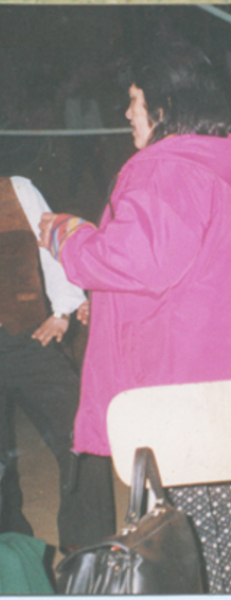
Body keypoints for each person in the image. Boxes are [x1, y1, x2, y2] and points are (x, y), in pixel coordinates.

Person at [39, 42, 231, 592]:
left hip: (172, 387)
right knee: (213, 517)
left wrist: (66, 235)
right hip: (216, 377)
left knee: (178, 533)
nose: (127, 113)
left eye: (134, 100)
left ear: (164, 105)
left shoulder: (166, 168)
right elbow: (184, 271)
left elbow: (133, 258)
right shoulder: (213, 163)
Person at [0, 176, 115, 552]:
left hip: (30, 338)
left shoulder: (15, 189)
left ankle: (88, 557)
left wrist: (64, 309)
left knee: (83, 439)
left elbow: (51, 250)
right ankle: (16, 565)